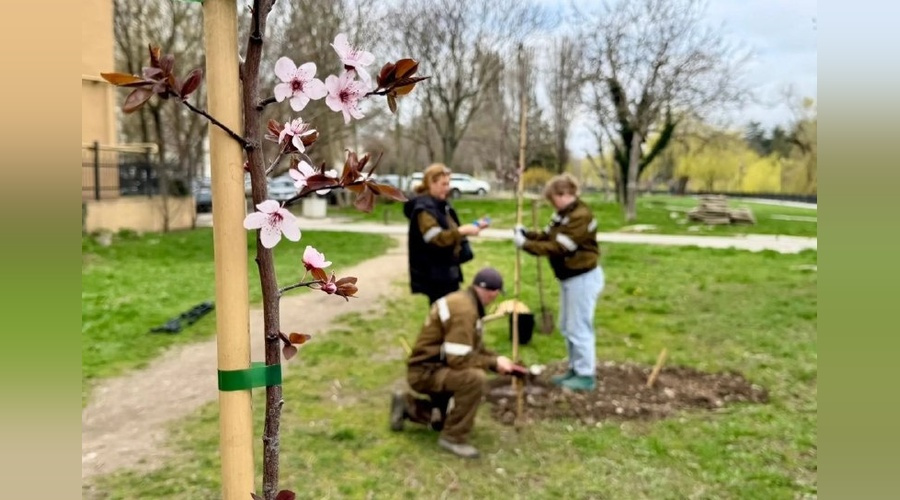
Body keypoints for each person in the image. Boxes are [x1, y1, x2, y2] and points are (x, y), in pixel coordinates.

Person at [389, 267, 526, 458]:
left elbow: (473, 349)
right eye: (496, 294)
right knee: (474, 379)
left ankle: (408, 406)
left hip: (435, 366)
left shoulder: (466, 302)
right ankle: (453, 438)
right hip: (426, 372)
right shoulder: (464, 311)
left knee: (442, 420)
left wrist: (498, 361)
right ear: (491, 292)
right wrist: (493, 363)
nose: (495, 298)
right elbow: (459, 360)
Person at [512, 174, 604, 391]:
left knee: (579, 326)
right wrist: (528, 235)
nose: (552, 203)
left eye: (553, 199)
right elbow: (548, 237)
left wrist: (525, 245)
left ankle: (585, 374)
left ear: (566, 195)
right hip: (570, 278)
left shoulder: (580, 216)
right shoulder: (563, 214)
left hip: (582, 278)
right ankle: (574, 368)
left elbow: (559, 247)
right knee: (567, 325)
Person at [404, 163, 489, 304]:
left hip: (447, 273)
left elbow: (450, 229)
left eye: (448, 184)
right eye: (444, 184)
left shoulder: (441, 205)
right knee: (443, 317)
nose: (447, 188)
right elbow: (436, 238)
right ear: (431, 183)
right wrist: (462, 231)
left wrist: (474, 227)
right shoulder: (424, 210)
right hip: (436, 277)